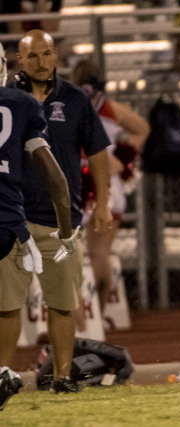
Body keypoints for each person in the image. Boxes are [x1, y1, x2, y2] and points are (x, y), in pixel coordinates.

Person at [2, 30, 112, 393]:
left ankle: (62, 376)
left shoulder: (75, 99)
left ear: (55, 56)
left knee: (63, 304)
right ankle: (3, 374)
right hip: (14, 216)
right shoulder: (10, 99)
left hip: (59, 222)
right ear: (19, 60)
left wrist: (103, 203)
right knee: (7, 306)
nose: (41, 61)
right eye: (32, 56)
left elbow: (97, 153)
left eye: (47, 53)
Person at [0, 40, 74, 410]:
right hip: (9, 218)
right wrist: (67, 229)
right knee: (6, 306)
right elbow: (56, 179)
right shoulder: (22, 105)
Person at [70, 59, 150, 320]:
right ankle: (99, 317)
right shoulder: (112, 108)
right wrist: (125, 156)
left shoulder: (67, 106)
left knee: (67, 253)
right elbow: (143, 129)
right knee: (100, 253)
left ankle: (79, 317)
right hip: (110, 182)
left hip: (79, 181)